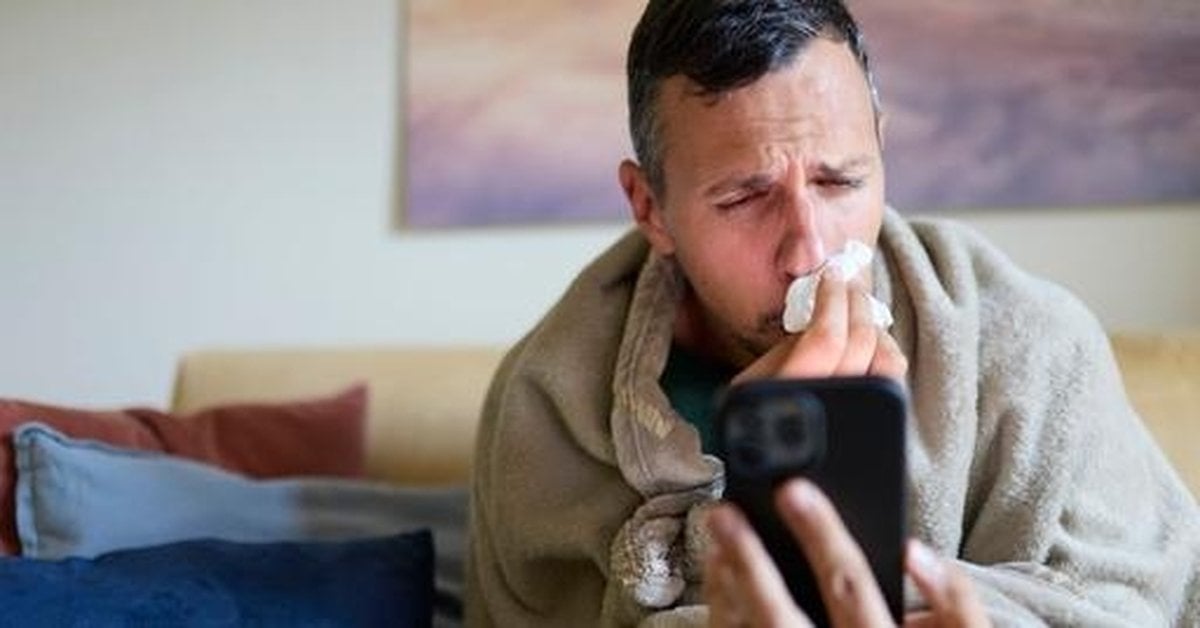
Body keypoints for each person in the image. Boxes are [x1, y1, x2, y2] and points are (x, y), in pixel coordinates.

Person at [465, 1, 1200, 626]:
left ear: (880, 149)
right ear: (650, 206)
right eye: (744, 197)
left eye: (841, 180)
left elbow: (1137, 604)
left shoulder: (1033, 345)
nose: (809, 250)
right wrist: (749, 507)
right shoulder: (545, 407)